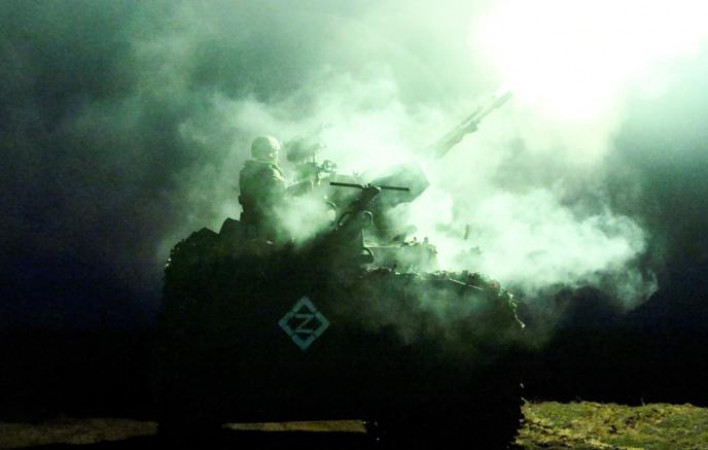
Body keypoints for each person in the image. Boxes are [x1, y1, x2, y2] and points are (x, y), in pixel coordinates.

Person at [238, 136, 287, 240]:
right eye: (276, 151)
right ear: (270, 153)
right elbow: (279, 198)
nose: (277, 154)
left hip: (251, 224)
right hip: (268, 227)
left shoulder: (247, 169)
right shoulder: (269, 172)